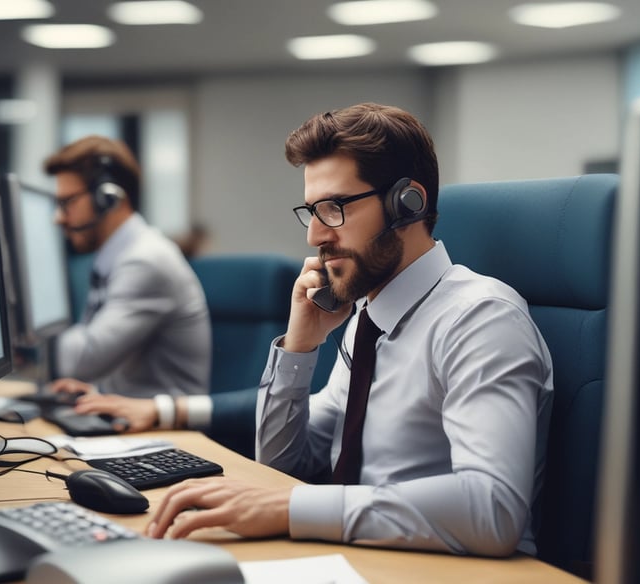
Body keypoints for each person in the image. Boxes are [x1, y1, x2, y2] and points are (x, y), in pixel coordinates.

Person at [143, 103, 554, 558]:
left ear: (407, 202)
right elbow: (283, 467)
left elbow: (492, 510)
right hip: (362, 558)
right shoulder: (367, 321)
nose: (315, 236)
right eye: (311, 211)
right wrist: (299, 347)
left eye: (335, 208)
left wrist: (293, 508)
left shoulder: (480, 319)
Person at [44, 135, 211, 411]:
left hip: (172, 433)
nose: (58, 218)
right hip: (132, 416)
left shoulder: (145, 261)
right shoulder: (116, 258)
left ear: (109, 197)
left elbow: (82, 360)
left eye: (67, 203)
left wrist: (14, 333)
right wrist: (97, 390)